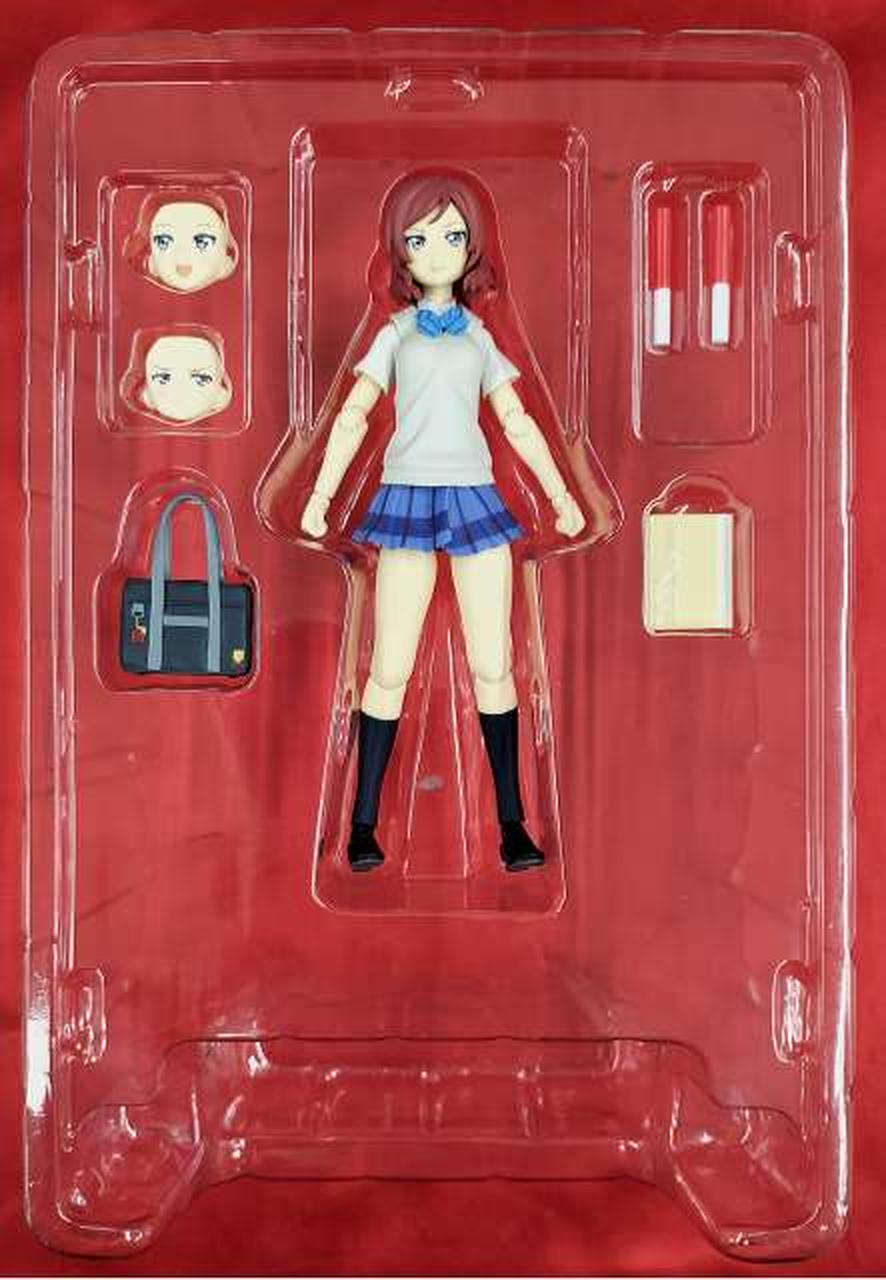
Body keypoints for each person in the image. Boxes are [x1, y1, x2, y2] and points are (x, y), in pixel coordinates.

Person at [298, 170, 587, 873]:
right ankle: (362, 824)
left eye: (451, 237)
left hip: (474, 497)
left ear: (472, 248)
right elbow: (353, 415)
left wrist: (560, 495)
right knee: (388, 665)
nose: (435, 252)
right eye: (419, 239)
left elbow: (517, 420)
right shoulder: (395, 334)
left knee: (495, 663)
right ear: (398, 251)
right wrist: (320, 497)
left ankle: (513, 824)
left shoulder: (479, 337)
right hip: (405, 498)